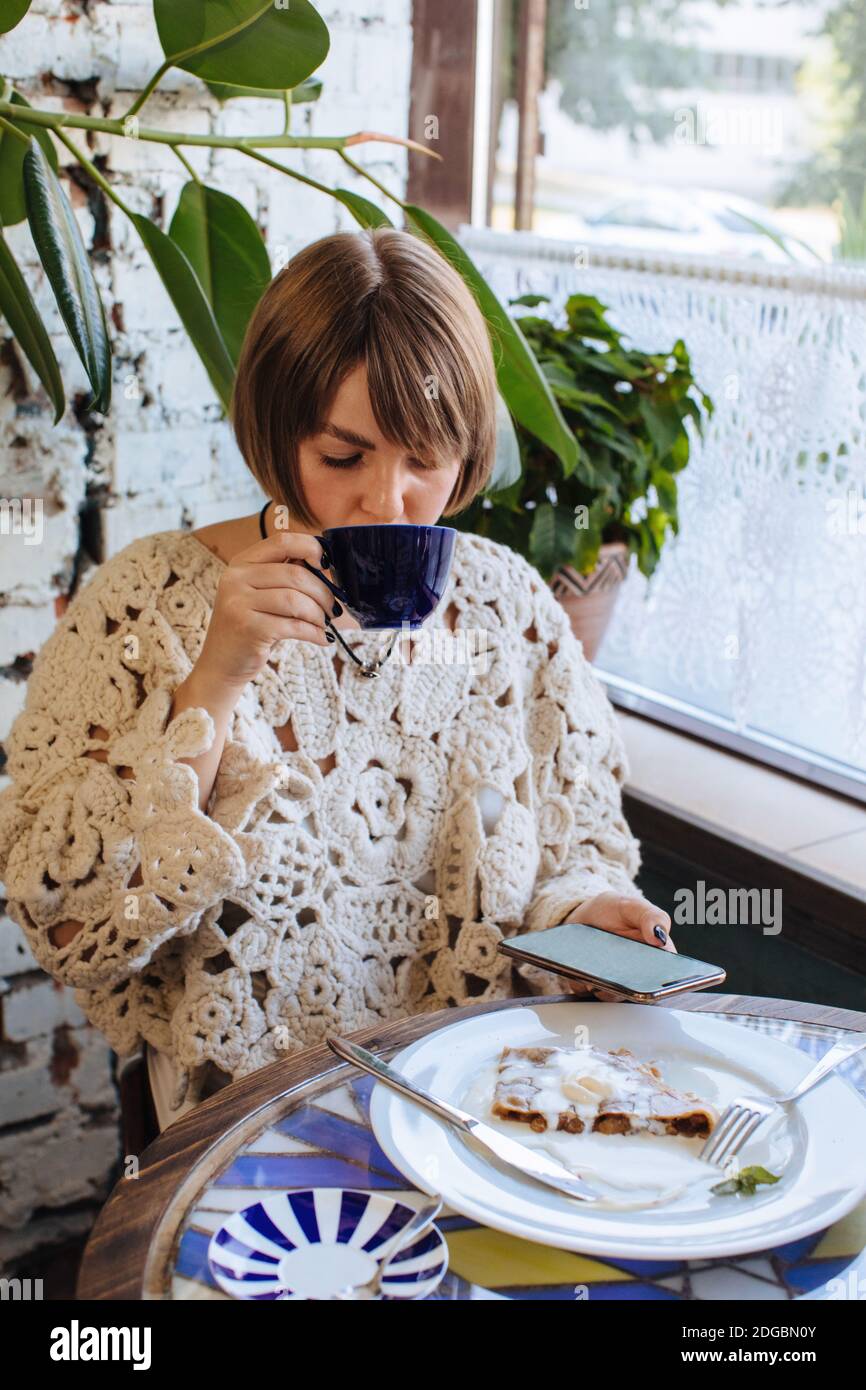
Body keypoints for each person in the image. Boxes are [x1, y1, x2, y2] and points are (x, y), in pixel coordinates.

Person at [0, 228, 675, 1133]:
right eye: (345, 456)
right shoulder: (145, 606)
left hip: (479, 1117)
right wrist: (215, 679)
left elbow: (574, 850)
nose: (387, 502)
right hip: (239, 1135)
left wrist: (597, 914)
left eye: (425, 459)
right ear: (280, 436)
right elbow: (69, 927)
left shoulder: (508, 609)